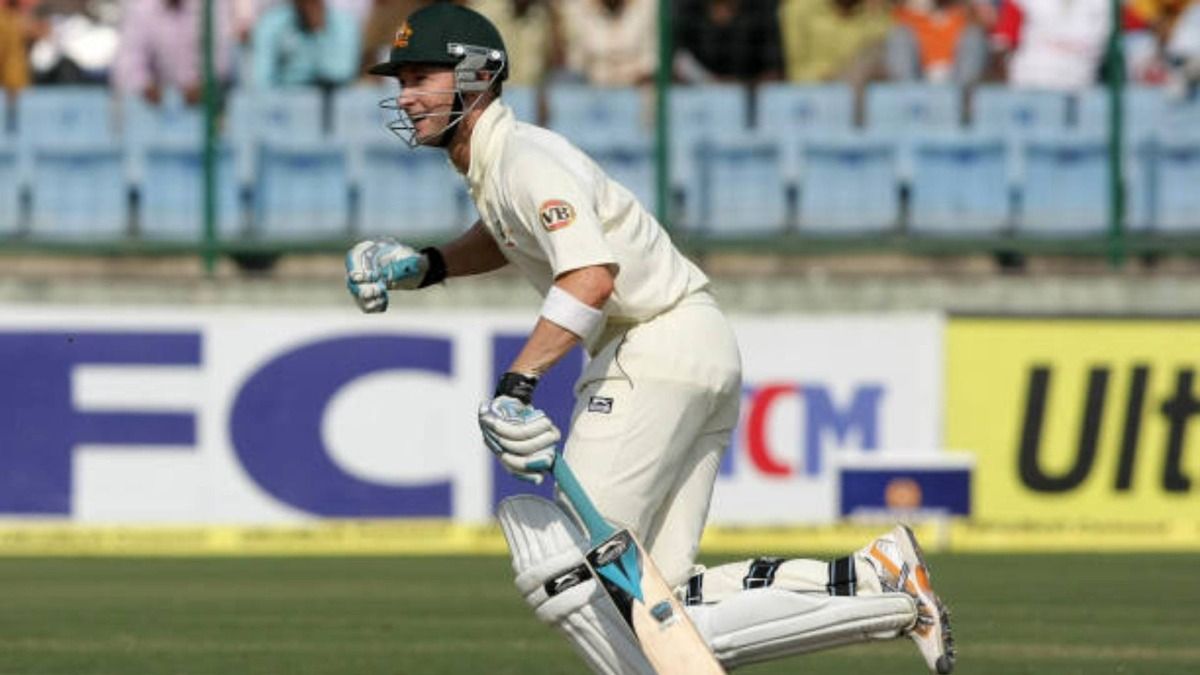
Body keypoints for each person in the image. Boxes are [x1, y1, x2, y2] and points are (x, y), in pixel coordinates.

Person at [343, 4, 955, 674]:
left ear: (478, 76)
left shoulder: (524, 157)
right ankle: (874, 579)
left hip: (650, 345)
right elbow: (508, 235)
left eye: (420, 76)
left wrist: (518, 383)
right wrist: (426, 266)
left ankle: (881, 592)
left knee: (570, 569)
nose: (404, 95)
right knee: (664, 603)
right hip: (695, 342)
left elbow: (592, 276)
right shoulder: (499, 167)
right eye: (400, 79)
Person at [111, 0, 234, 105]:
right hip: (154, 112)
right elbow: (127, 62)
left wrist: (202, 86)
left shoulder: (211, 6)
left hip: (207, 106)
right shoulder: (141, 8)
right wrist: (146, 86)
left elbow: (222, 57)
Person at [252, 0, 359, 88]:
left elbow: (343, 72)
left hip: (332, 100)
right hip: (285, 101)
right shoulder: (271, 22)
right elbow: (261, 79)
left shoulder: (344, 22)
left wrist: (318, 33)